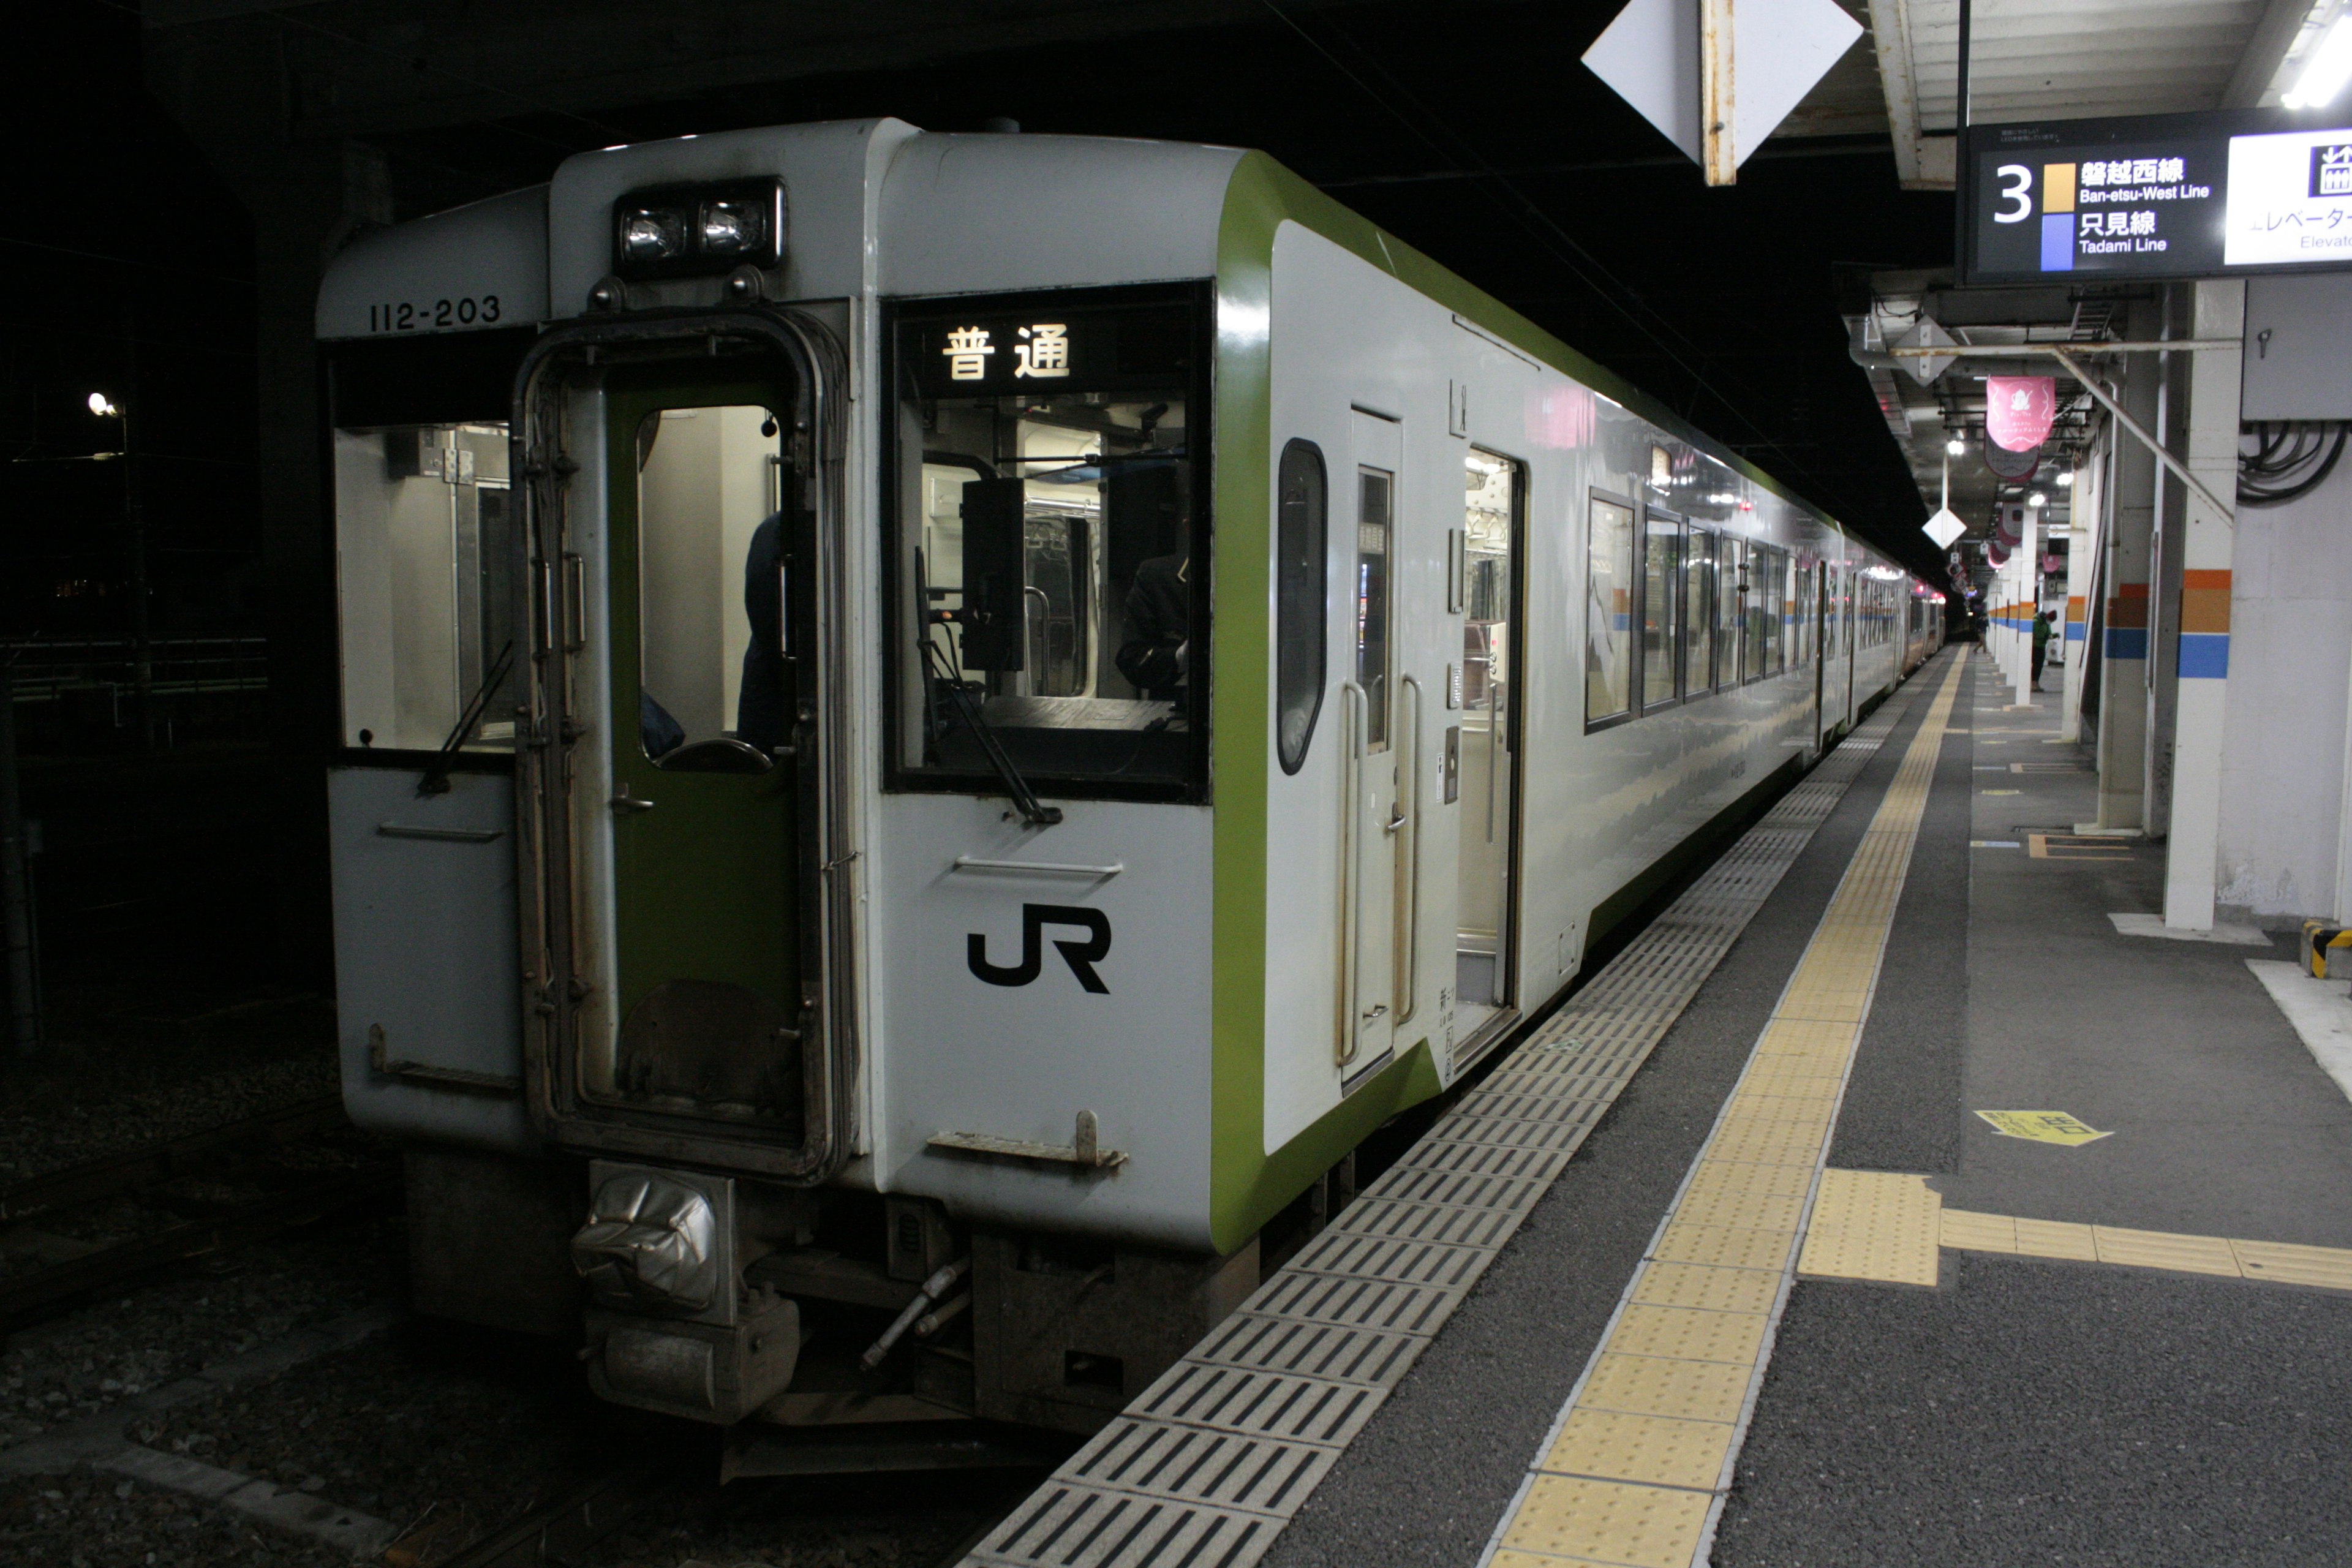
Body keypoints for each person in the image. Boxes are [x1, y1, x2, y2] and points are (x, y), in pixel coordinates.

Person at [1116, 530, 1191, 701]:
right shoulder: (1156, 576)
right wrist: (1180, 655)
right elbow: (1133, 661)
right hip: (1179, 713)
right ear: (1188, 526)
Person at [2031, 608, 2053, 690]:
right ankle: (2034, 683)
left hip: (2042, 646)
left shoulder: (2047, 623)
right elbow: (2036, 634)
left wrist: (2053, 636)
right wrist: (2045, 636)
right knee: (2036, 665)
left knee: (2039, 666)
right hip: (2035, 646)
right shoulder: (2036, 622)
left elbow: (2049, 633)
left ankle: (2036, 682)